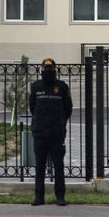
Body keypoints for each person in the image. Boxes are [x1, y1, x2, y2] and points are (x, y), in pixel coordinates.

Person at [29, 58, 72, 207]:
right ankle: (38, 197)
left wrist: (59, 123)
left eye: (50, 69)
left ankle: (60, 196)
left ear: (54, 70)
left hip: (56, 133)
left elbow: (68, 109)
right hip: (40, 132)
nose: (48, 72)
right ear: (41, 70)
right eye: (45, 69)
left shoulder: (62, 87)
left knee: (58, 166)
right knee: (39, 166)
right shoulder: (35, 87)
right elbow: (32, 108)